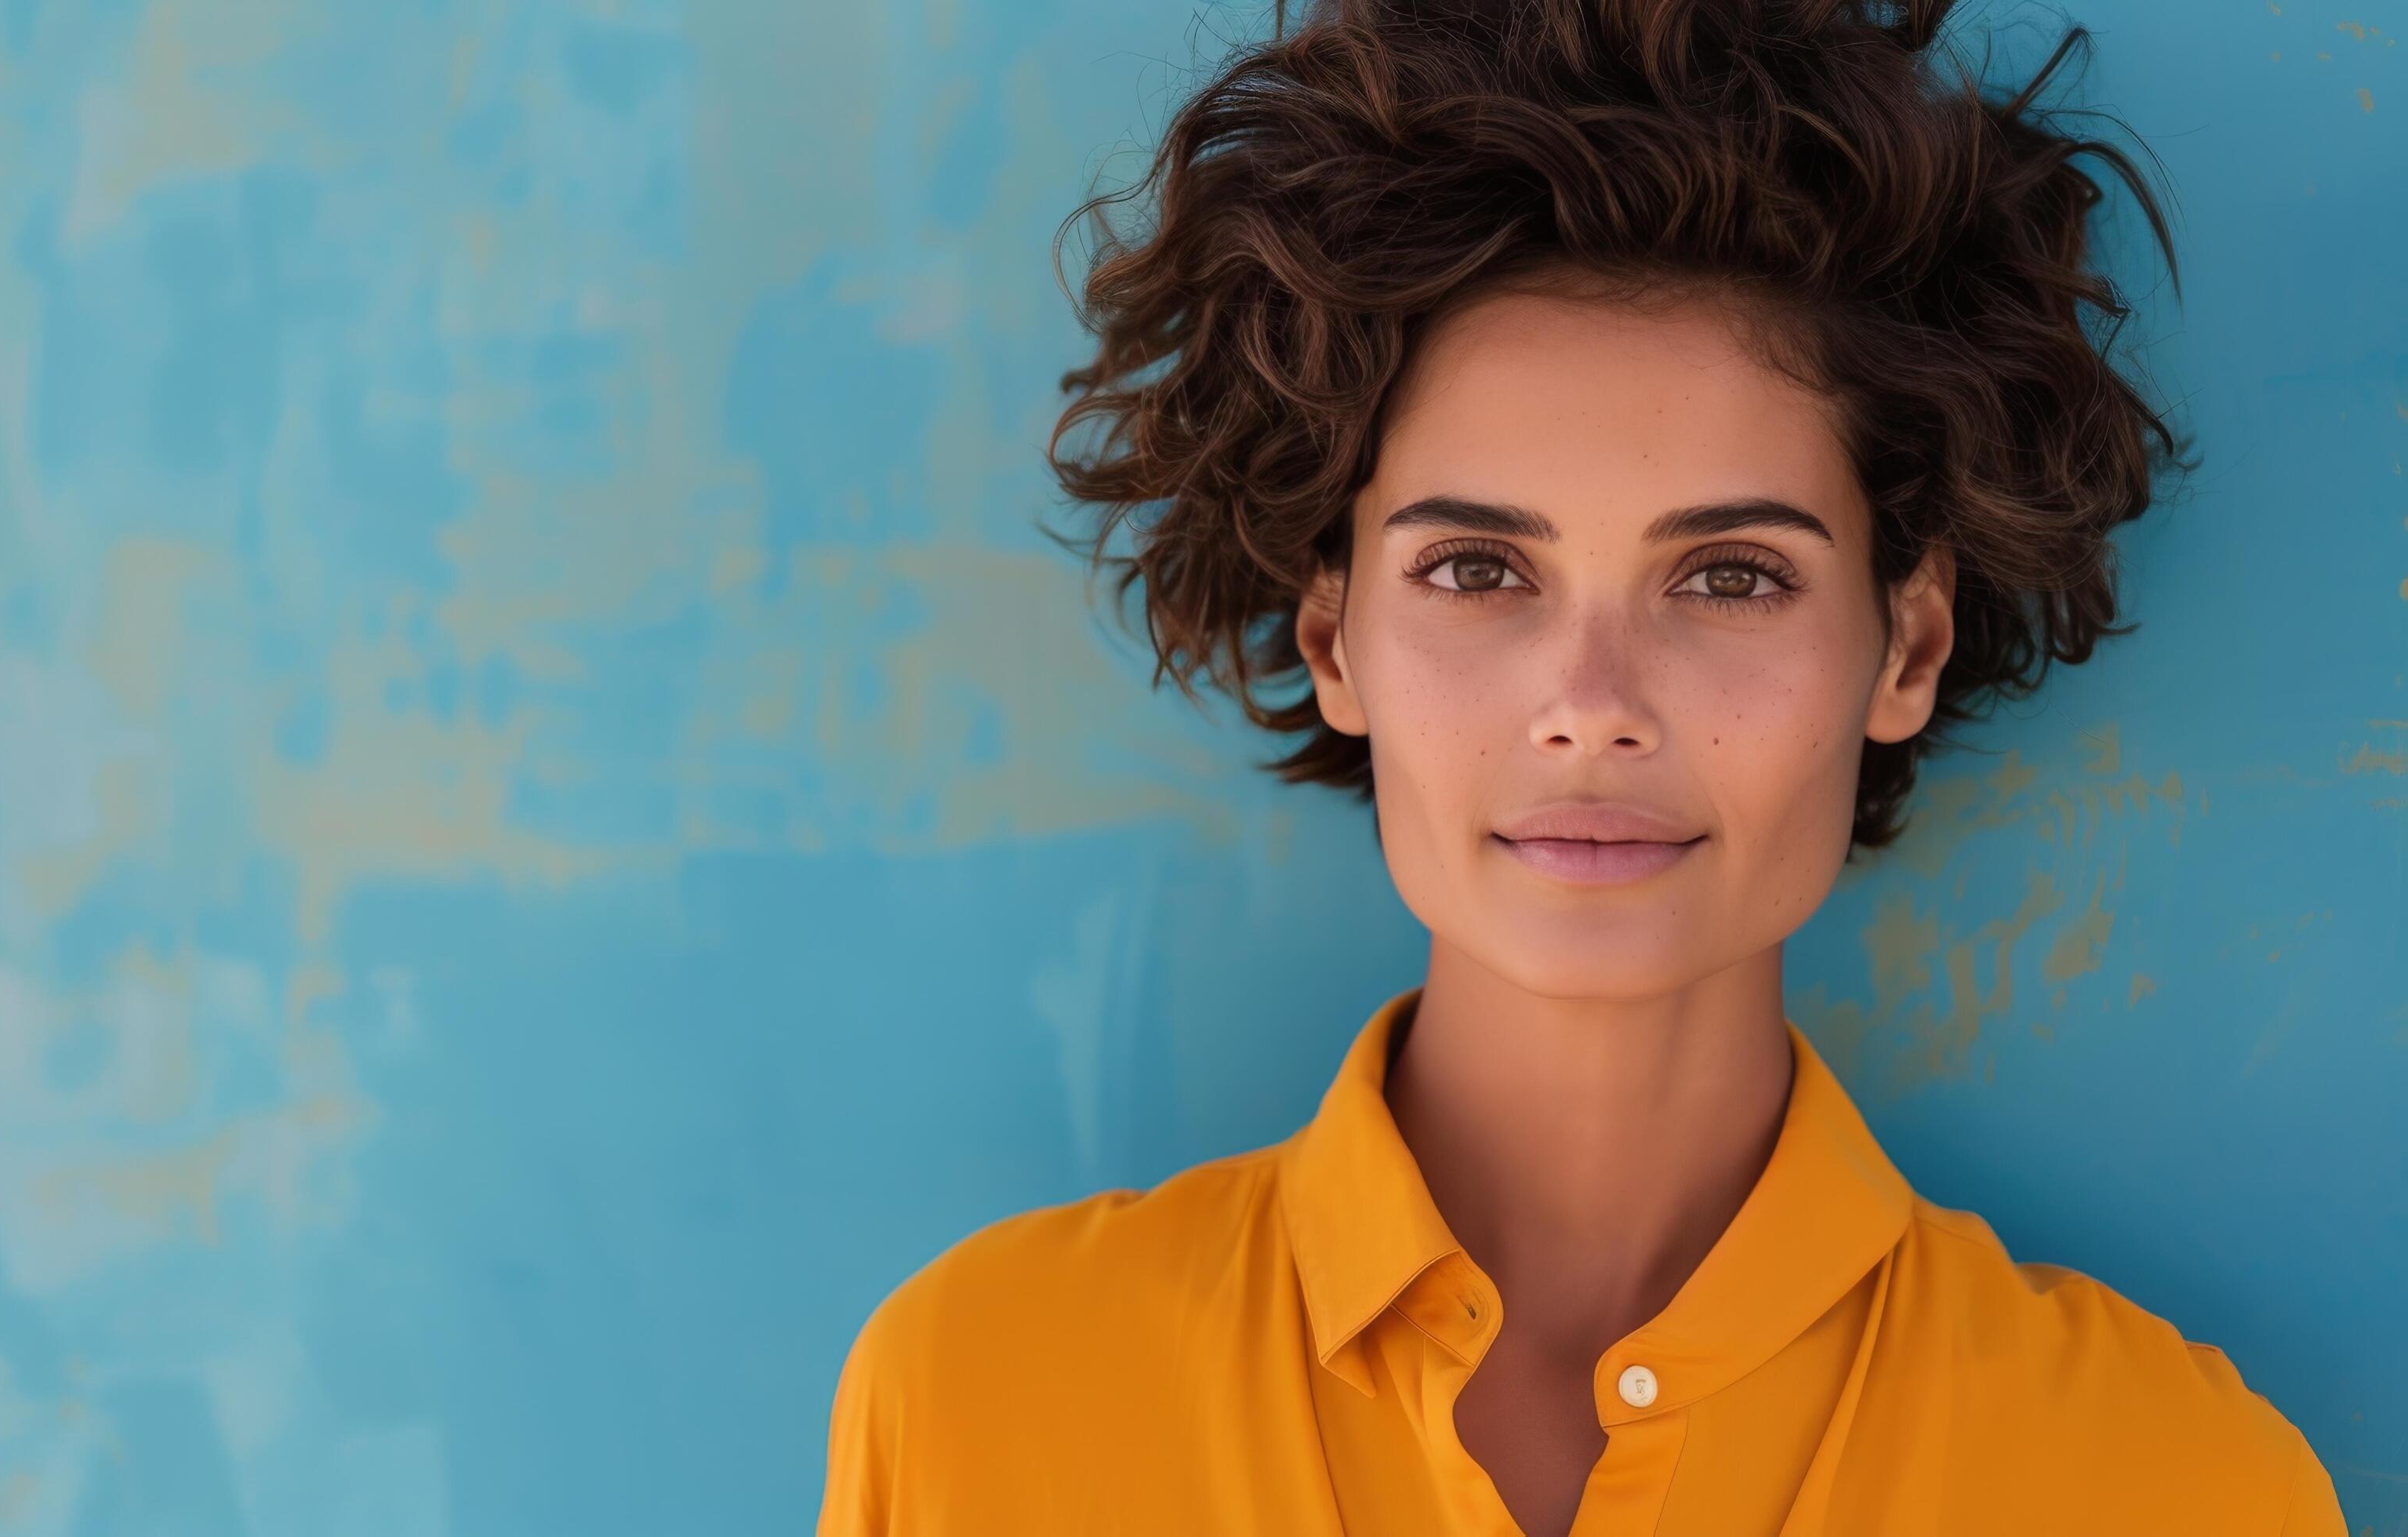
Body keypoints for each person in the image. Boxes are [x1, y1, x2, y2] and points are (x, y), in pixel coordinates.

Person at [813, 0, 2348, 1532]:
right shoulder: (979, 1397)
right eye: (1478, 570)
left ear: (1908, 647)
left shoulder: (2175, 1480)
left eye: (1733, 574)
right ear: (1334, 635)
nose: (1592, 705)